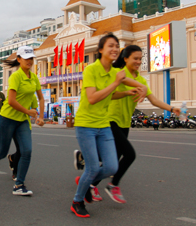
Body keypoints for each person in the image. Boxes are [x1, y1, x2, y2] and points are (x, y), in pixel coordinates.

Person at [74, 45, 181, 205]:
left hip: (124, 123)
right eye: (135, 58)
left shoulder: (141, 80)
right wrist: (125, 92)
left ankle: (87, 175)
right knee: (129, 154)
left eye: (140, 59)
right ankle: (113, 185)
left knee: (113, 161)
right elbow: (110, 93)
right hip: (111, 120)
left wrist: (172, 108)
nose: (138, 62)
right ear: (125, 59)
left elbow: (154, 100)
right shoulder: (118, 74)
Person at [70, 35, 148, 218]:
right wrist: (116, 83)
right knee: (93, 168)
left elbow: (132, 85)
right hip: (86, 124)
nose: (115, 49)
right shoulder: (91, 70)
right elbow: (93, 98)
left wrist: (139, 89)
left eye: (117, 46)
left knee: (112, 167)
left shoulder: (115, 72)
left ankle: (85, 182)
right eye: (111, 46)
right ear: (101, 50)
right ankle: (77, 201)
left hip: (103, 125)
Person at [0, 46, 45, 196]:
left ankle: (19, 184)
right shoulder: (15, 76)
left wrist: (41, 116)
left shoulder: (33, 78)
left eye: (31, 58)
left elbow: (40, 97)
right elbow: (11, 101)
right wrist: (28, 111)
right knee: (1, 152)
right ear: (19, 59)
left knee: (26, 151)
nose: (29, 61)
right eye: (26, 58)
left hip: (22, 121)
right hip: (7, 118)